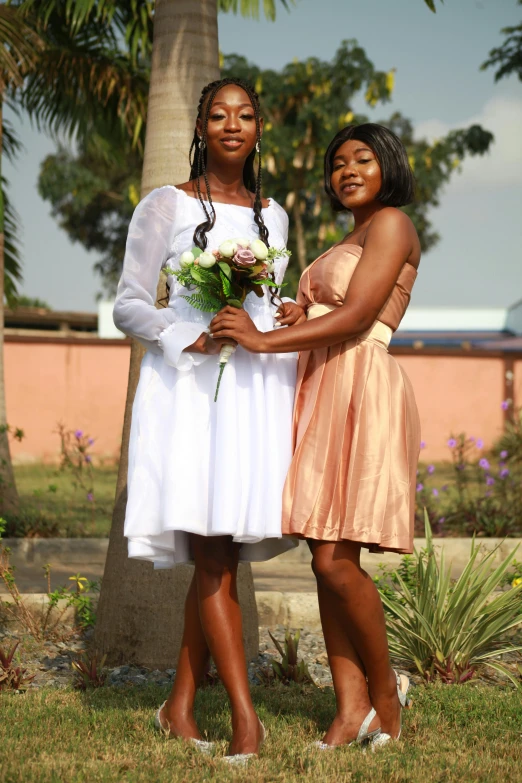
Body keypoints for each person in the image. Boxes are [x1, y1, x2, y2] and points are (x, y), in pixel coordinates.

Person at [210, 123, 422, 748]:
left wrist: (262, 339)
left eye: (363, 159)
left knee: (334, 561)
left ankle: (386, 698)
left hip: (361, 382)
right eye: (337, 163)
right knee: (325, 556)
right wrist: (302, 313)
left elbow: (359, 315)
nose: (347, 170)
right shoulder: (349, 236)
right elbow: (337, 308)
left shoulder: (391, 225)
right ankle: (348, 706)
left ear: (389, 167)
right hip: (325, 382)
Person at [113, 78, 303, 761]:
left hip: (253, 390)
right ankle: (246, 721)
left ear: (258, 129)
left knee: (217, 552)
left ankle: (179, 704)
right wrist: (183, 333)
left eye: (245, 115)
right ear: (199, 123)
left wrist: (287, 316)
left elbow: (273, 302)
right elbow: (129, 304)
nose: (232, 124)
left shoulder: (274, 216)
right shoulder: (163, 204)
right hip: (192, 387)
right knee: (215, 551)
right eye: (218, 114)